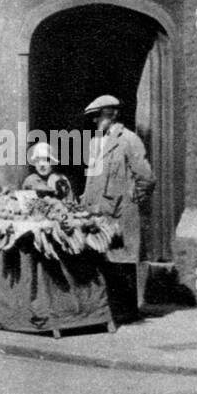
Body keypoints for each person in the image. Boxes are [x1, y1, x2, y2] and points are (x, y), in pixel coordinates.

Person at [80, 94, 155, 319]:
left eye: (98, 116)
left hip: (121, 212)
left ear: (110, 114)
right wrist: (85, 203)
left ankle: (126, 312)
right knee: (102, 261)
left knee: (122, 260)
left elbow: (146, 177)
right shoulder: (94, 143)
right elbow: (91, 179)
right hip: (98, 212)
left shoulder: (129, 140)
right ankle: (106, 311)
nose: (94, 121)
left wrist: (132, 198)